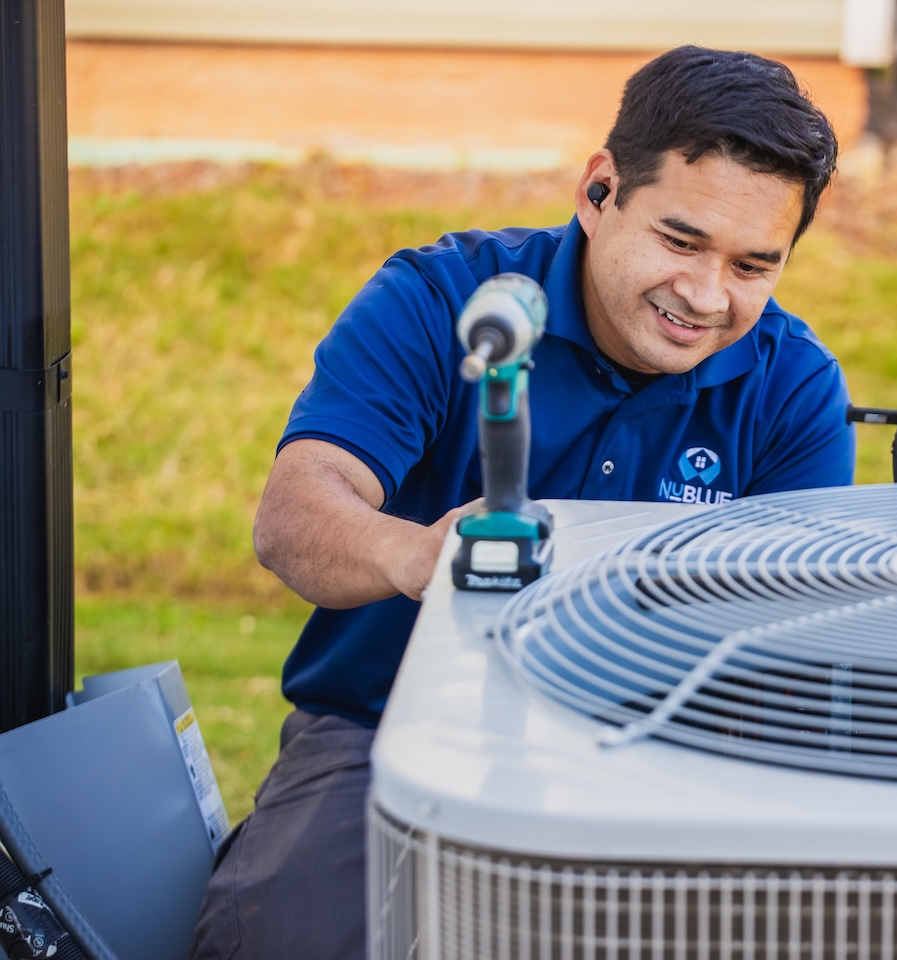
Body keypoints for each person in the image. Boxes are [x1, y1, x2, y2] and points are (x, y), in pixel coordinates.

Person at [188, 45, 854, 960]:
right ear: (599, 192)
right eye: (681, 241)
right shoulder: (441, 301)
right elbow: (295, 517)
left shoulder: (793, 388)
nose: (705, 297)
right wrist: (421, 557)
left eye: (753, 266)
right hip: (385, 728)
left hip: (658, 753)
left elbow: (793, 648)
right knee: (281, 933)